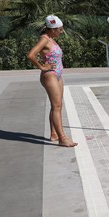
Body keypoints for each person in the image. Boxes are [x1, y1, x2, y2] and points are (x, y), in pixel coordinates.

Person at [26, 15, 77, 147]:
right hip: (50, 75)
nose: (62, 32)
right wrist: (42, 66)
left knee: (57, 106)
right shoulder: (44, 39)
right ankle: (62, 138)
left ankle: (54, 134)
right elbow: (31, 55)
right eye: (60, 29)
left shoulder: (51, 39)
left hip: (57, 75)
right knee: (57, 106)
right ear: (53, 29)